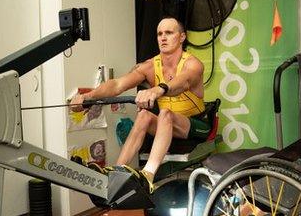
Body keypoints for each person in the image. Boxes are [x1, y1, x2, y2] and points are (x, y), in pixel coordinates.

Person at [70, 17, 209, 194]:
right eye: (159, 34)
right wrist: (87, 97)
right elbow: (117, 85)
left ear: (182, 37)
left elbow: (183, 82)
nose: (163, 38)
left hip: (196, 125)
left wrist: (158, 90)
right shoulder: (150, 66)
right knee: (144, 114)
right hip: (169, 124)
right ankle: (114, 173)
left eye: (169, 33)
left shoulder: (192, 64)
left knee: (165, 113)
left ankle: (147, 176)